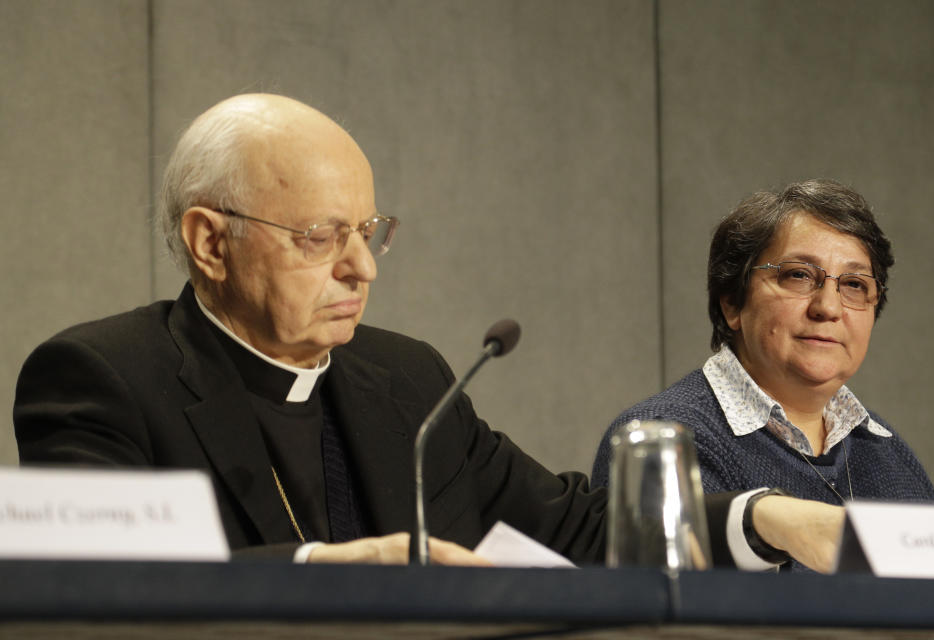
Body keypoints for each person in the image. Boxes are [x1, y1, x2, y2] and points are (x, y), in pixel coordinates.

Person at [15, 94, 841, 569]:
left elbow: (577, 524)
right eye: (319, 238)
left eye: (368, 232)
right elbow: (105, 584)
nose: (362, 270)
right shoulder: (100, 377)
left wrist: (770, 519)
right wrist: (326, 573)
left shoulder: (404, 378)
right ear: (208, 241)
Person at [593, 179, 934, 571]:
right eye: (798, 276)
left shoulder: (889, 452)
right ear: (732, 304)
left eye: (855, 285)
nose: (828, 307)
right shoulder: (662, 442)